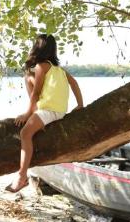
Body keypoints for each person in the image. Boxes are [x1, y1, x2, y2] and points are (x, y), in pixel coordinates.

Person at [9, 33, 84, 193]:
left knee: (25, 134)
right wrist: (80, 105)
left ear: (37, 48)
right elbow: (75, 83)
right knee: (28, 77)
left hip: (48, 110)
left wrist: (27, 114)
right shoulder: (59, 70)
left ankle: (22, 177)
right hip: (59, 111)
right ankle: (36, 116)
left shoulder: (40, 67)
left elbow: (35, 94)